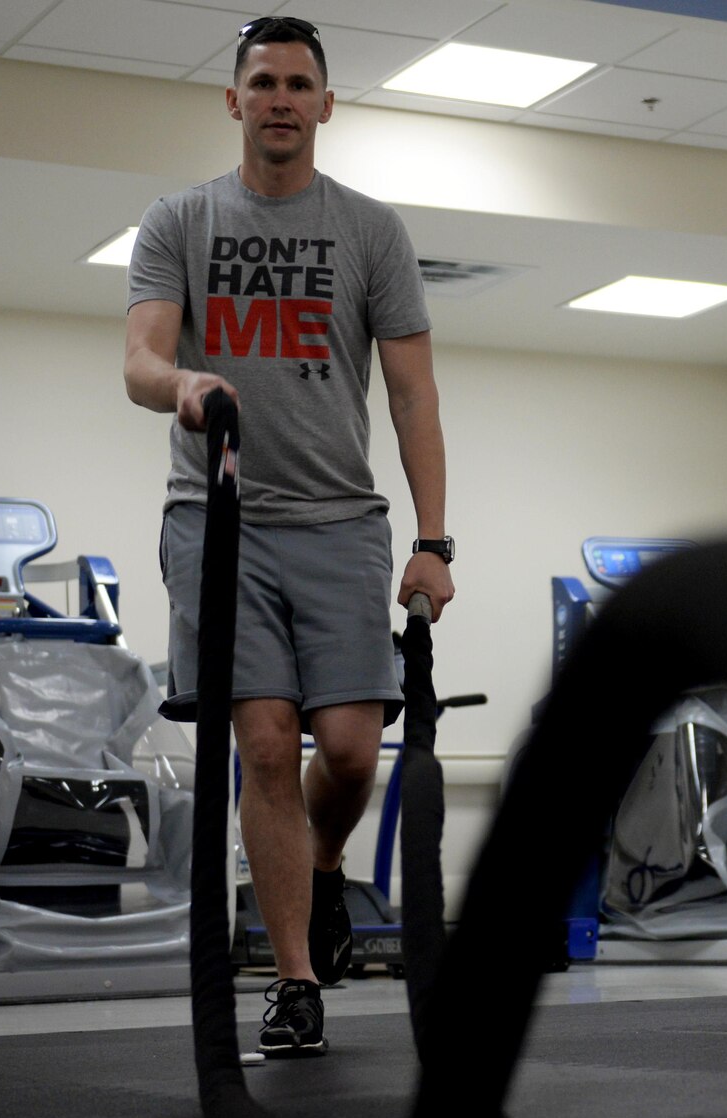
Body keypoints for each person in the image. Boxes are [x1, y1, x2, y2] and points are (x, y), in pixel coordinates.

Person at [123, 16, 454, 1058]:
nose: (278, 97)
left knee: (351, 751)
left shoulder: (371, 231)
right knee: (264, 741)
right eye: (260, 80)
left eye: (297, 82)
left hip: (342, 523)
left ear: (323, 105)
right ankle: (295, 976)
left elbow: (410, 397)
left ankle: (319, 869)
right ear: (233, 100)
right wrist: (182, 384)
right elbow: (138, 357)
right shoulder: (179, 219)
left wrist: (435, 541)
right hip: (219, 519)